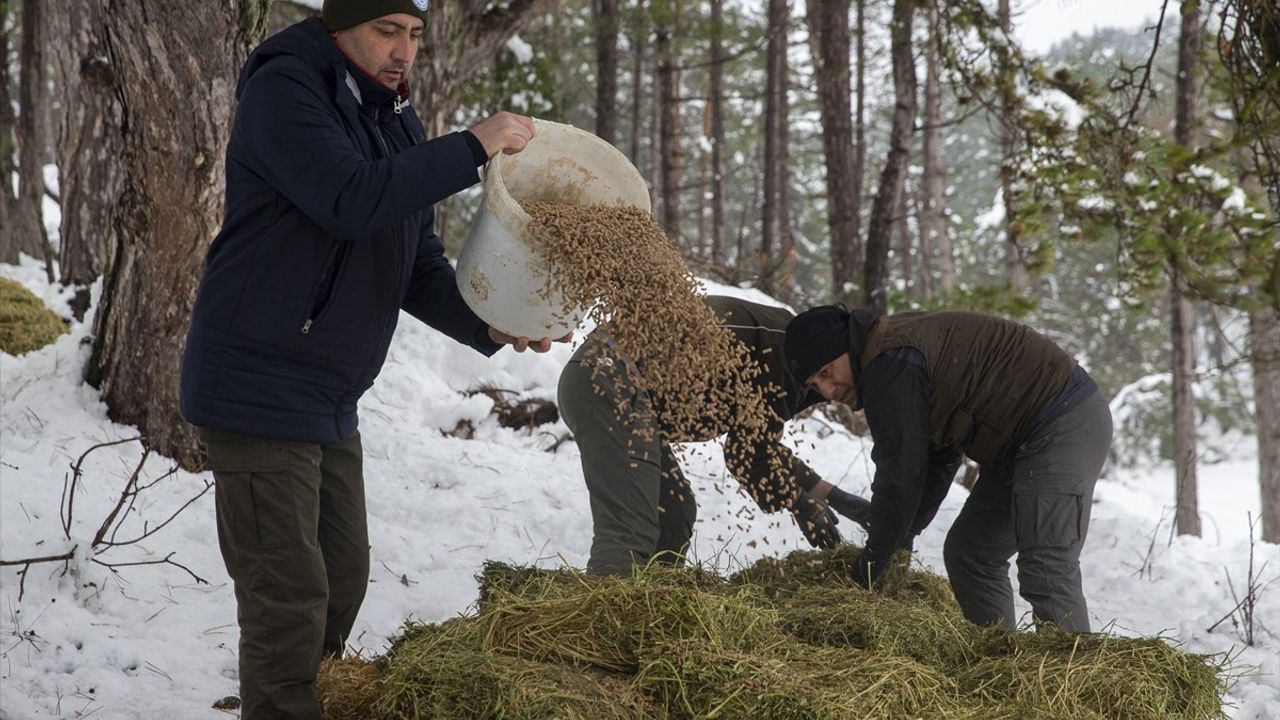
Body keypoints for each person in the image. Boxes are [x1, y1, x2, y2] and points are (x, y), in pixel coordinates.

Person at [178, 2, 567, 717]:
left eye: (415, 34)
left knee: (342, 579)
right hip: (257, 385)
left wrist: (494, 325)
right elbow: (348, 199)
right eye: (387, 30)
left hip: (327, 398)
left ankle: (298, 699)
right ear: (338, 29)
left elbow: (414, 263)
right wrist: (471, 145)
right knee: (288, 597)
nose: (404, 51)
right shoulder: (285, 91)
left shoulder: (393, 120)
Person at [783, 306, 1112, 632]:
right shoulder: (890, 356)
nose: (828, 393)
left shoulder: (889, 363)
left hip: (1060, 420)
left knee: (1046, 566)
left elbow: (900, 475)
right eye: (815, 386)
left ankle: (1076, 678)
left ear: (846, 346)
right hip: (1018, 445)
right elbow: (938, 459)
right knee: (971, 554)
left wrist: (869, 567)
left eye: (827, 373)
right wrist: (901, 538)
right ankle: (999, 663)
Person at [557, 295, 873, 576]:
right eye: (824, 377)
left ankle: (646, 619)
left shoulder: (804, 358)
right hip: (607, 375)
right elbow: (749, 457)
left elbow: (758, 444)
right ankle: (599, 623)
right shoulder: (790, 351)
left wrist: (837, 500)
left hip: (623, 388)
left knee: (672, 517)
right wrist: (802, 505)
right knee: (630, 529)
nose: (830, 392)